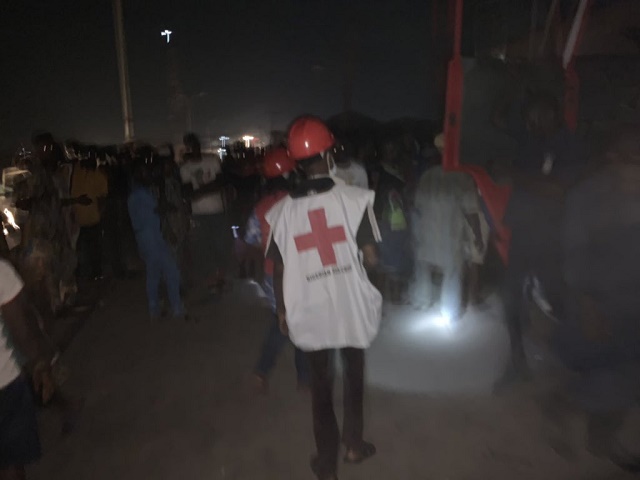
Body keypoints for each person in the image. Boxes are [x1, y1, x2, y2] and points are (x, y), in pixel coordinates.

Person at [266, 116, 381, 480]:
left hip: (310, 308)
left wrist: (282, 311)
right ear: (330, 154)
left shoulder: (282, 213)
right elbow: (372, 258)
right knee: (354, 375)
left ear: (296, 163)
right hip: (348, 303)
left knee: (321, 389)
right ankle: (354, 446)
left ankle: (327, 467)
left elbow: (279, 269)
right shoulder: (354, 199)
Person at [552, 125, 640, 472]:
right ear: (614, 159)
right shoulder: (588, 197)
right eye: (632, 159)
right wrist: (588, 304)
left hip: (632, 299)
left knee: (624, 376)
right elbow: (573, 256)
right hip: (598, 302)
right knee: (611, 375)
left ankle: (600, 436)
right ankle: (580, 421)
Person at [494, 91, 586, 392]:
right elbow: (500, 123)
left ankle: (581, 359)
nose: (529, 123)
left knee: (559, 299)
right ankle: (518, 362)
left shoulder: (569, 145)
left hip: (552, 234)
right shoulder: (532, 141)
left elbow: (560, 190)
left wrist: (514, 175)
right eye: (527, 118)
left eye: (534, 117)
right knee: (510, 293)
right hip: (525, 231)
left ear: (552, 115)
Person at [246, 147, 309, 393]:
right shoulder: (299, 202)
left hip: (272, 275)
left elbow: (250, 241)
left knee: (281, 322)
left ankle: (262, 371)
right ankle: (304, 379)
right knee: (299, 325)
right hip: (299, 274)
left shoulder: (260, 207)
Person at [410, 134, 485, 321]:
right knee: (452, 272)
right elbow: (471, 211)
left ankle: (421, 300)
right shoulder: (463, 178)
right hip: (449, 235)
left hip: (427, 232)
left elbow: (417, 207)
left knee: (423, 269)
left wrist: (416, 233)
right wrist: (477, 235)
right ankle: (449, 311)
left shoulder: (427, 175)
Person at [0, 258, 56, 480]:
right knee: (12, 462)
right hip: (5, 384)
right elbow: (21, 329)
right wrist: (41, 365)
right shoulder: (1, 271)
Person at [128, 148, 185, 322]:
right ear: (138, 174)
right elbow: (158, 208)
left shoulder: (138, 192)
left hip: (148, 237)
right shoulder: (140, 194)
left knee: (154, 273)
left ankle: (154, 308)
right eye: (144, 172)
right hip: (150, 237)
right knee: (171, 270)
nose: (149, 174)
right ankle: (175, 307)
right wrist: (172, 207)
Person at [179, 133, 231, 294]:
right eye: (188, 146)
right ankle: (212, 280)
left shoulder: (212, 160)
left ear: (198, 145)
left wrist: (200, 191)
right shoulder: (185, 168)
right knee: (204, 248)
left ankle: (220, 277)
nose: (192, 149)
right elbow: (189, 193)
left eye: (194, 145)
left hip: (217, 211)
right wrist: (210, 187)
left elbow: (221, 182)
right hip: (199, 214)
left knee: (221, 245)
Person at [71, 147, 108, 281]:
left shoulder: (97, 175)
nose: (89, 159)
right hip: (76, 221)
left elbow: (103, 197)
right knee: (79, 251)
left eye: (92, 157)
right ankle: (81, 276)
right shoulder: (74, 172)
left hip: (93, 220)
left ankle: (95, 275)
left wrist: (101, 214)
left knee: (94, 250)